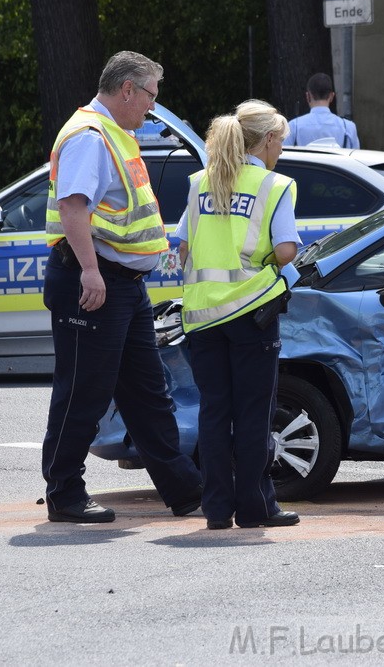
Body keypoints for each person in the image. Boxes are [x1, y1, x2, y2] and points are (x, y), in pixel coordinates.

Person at [41, 51, 203, 523]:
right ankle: (64, 492)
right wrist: (91, 272)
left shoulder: (118, 134)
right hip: (93, 280)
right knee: (84, 391)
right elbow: (74, 209)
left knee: (147, 391)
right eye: (151, 94)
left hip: (124, 285)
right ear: (127, 89)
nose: (153, 107)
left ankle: (185, 490)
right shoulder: (91, 136)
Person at [176, 99, 301, 530]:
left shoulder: (198, 183)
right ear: (266, 139)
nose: (281, 149)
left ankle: (215, 509)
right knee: (253, 413)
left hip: (202, 317)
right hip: (251, 313)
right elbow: (285, 251)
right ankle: (254, 507)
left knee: (214, 412)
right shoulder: (274, 185)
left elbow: (184, 246)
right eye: (280, 141)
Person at [283, 73, 360, 148]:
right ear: (331, 96)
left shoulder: (293, 127)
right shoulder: (348, 128)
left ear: (308, 96)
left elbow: (284, 156)